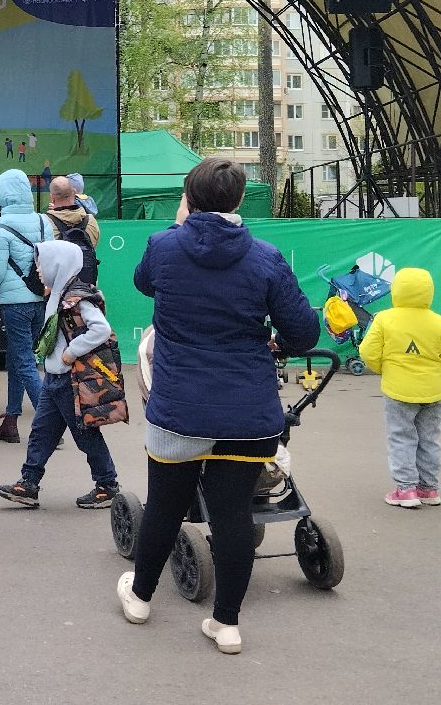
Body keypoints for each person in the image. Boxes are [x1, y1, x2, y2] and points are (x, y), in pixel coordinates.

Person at [117, 159, 319, 655]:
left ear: (189, 197)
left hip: (177, 410)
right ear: (237, 200)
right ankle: (226, 625)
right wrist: (273, 341)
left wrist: (181, 225)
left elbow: (145, 283)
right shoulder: (266, 257)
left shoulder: (165, 245)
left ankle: (140, 598)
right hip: (247, 413)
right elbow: (304, 332)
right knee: (232, 515)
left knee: (165, 505)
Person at [0, 239, 121, 510]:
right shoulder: (57, 293)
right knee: (41, 432)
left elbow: (100, 329)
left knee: (85, 434)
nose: (38, 269)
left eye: (42, 263)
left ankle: (107, 484)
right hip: (55, 378)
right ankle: (28, 483)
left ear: (57, 264)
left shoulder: (76, 297)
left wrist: (72, 351)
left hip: (69, 379)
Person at [358, 267, 441, 508]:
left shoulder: (385, 318)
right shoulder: (438, 322)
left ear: (396, 291)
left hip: (398, 390)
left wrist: (383, 368)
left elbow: (367, 351)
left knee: (401, 437)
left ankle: (406, 490)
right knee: (429, 439)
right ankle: (429, 489)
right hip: (432, 391)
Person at [0, 169, 50, 444]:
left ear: (1, 196)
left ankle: (48, 422)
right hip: (40, 299)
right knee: (20, 359)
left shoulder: (1, 228)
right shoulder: (43, 222)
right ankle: (11, 420)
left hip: (14, 304)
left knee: (25, 362)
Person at [46, 175, 101, 285]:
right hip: (87, 284)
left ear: (52, 197)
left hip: (56, 286)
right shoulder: (91, 221)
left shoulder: (44, 223)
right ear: (74, 193)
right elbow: (93, 246)